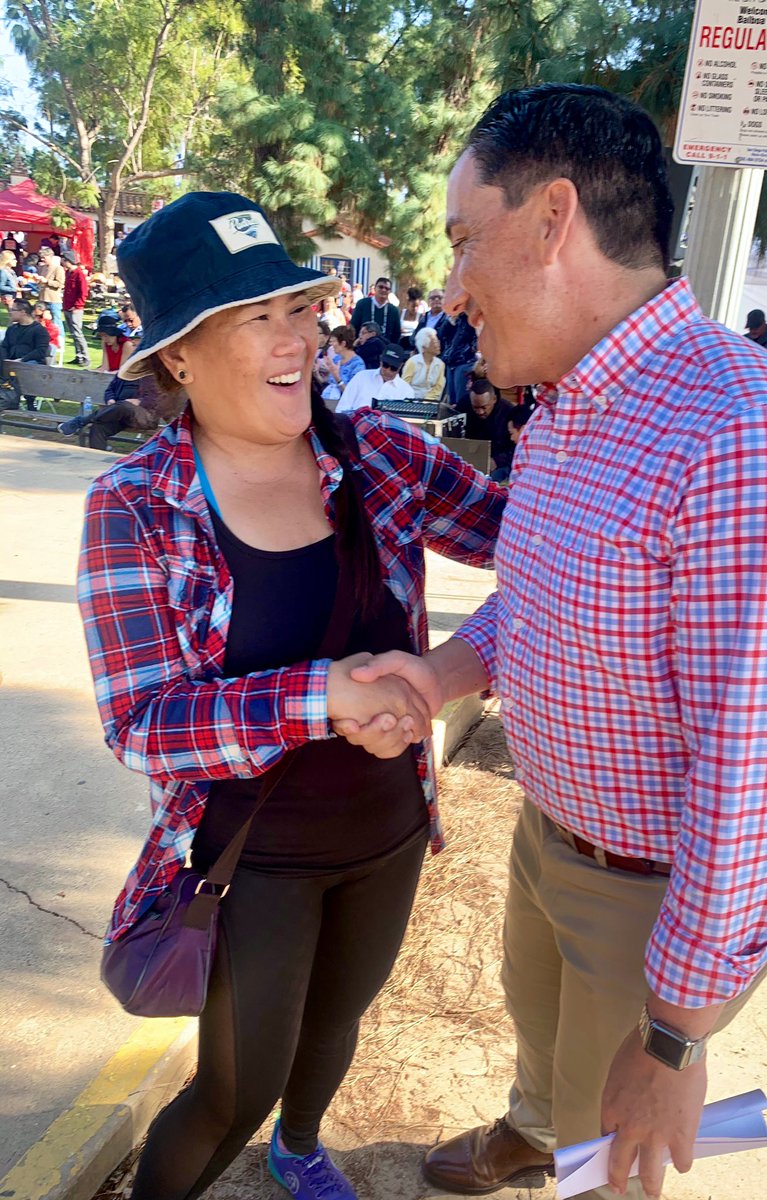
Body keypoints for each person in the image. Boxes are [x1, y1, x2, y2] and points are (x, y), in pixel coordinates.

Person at [338, 84, 767, 1200]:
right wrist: (436, 677)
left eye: (461, 240)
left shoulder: (746, 437)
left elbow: (753, 771)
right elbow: (540, 601)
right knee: (542, 1033)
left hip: (653, 891)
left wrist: (673, 1038)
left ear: (553, 219)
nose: (450, 287)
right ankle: (535, 1128)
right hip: (556, 830)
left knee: (612, 1159)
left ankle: (572, 1151)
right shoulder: (573, 403)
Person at [76, 191, 505, 1200]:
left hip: (390, 828)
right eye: (254, 317)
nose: (297, 340)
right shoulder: (137, 506)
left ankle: (302, 1146)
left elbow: (540, 540)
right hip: (250, 860)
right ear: (179, 356)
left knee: (338, 1018)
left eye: (300, 310)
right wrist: (323, 697)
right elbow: (141, 724)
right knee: (234, 1090)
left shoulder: (380, 454)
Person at [458, 379, 515, 481]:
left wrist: (497, 461)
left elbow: (517, 447)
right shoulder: (463, 405)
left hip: (499, 462)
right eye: (475, 407)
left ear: (494, 399)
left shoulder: (508, 412)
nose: (480, 412)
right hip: (470, 458)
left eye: (484, 407)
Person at [0, 298, 50, 410]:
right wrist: (6, 360)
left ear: (23, 312)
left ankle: (29, 400)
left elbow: (41, 351)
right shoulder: (12, 329)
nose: (10, 312)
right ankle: (5, 397)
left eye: (13, 310)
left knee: (29, 366)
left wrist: (22, 360)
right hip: (10, 363)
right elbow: (4, 347)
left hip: (30, 363)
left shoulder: (39, 330)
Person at [336, 345, 414, 413]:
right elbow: (343, 407)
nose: (388, 371)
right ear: (380, 361)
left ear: (400, 366)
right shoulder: (361, 377)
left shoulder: (406, 391)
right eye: (385, 365)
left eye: (393, 368)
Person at [349, 276, 401, 342]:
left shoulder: (393, 310)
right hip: (362, 345)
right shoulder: (362, 304)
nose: (383, 290)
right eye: (381, 287)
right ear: (375, 288)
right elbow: (353, 326)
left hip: (385, 346)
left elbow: (396, 334)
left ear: (389, 291)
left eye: (387, 288)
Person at [443, 312, 479, 407]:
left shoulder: (472, 318)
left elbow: (476, 343)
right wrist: (450, 322)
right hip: (450, 361)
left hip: (465, 362)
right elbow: (442, 335)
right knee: (451, 401)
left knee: (461, 401)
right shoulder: (452, 317)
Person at [321, 325, 365, 402]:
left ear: (343, 343)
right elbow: (330, 382)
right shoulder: (337, 359)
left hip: (343, 405)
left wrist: (338, 378)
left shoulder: (358, 365)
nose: (331, 344)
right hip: (329, 400)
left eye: (334, 341)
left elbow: (352, 395)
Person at [62, 250, 90, 365]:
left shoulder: (79, 274)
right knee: (73, 334)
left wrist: (77, 306)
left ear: (69, 261)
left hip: (75, 309)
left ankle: (86, 357)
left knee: (78, 333)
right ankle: (78, 356)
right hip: (67, 307)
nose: (63, 262)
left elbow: (84, 292)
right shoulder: (68, 273)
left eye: (64, 260)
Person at [401, 327, 445, 400]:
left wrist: (427, 399)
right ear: (424, 347)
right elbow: (405, 384)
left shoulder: (440, 364)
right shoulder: (412, 362)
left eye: (438, 342)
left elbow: (438, 387)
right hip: (411, 399)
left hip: (431, 401)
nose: (438, 345)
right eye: (435, 342)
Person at [36, 245, 66, 339]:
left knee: (56, 321)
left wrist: (47, 281)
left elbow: (60, 284)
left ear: (50, 256)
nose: (42, 259)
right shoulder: (43, 268)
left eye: (44, 257)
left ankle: (60, 339)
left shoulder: (58, 268)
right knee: (42, 320)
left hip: (53, 300)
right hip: (43, 298)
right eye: (41, 258)